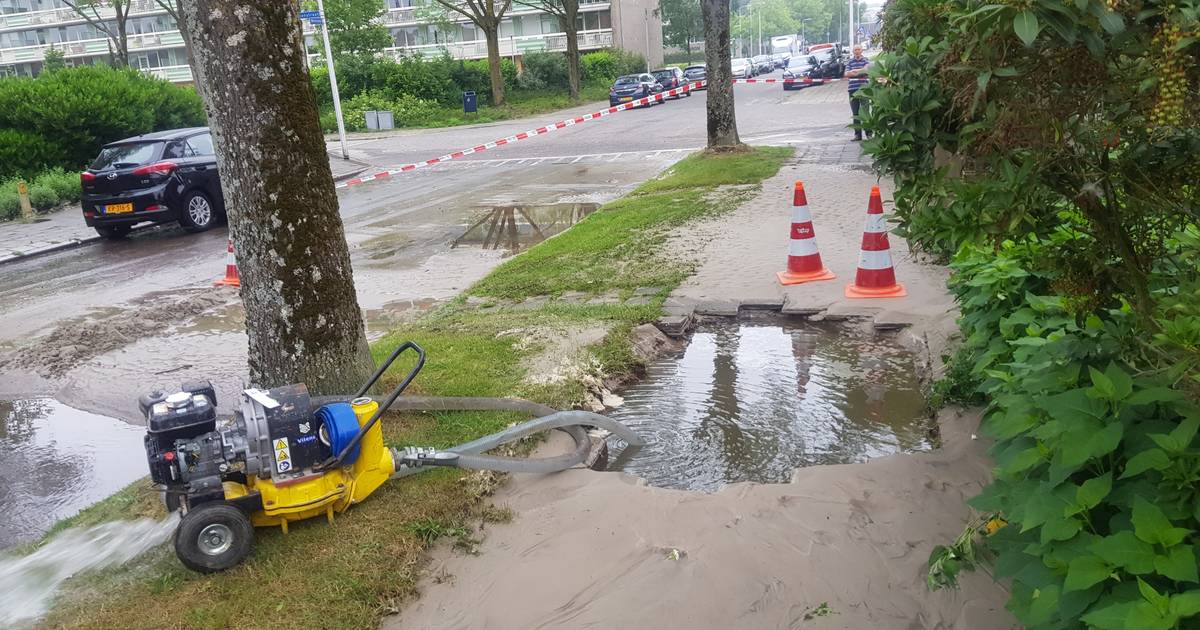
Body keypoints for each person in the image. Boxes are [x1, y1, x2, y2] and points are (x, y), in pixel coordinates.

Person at [844, 44, 871, 141]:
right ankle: (857, 135)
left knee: (865, 112)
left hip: (864, 90)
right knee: (855, 113)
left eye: (858, 49)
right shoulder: (849, 62)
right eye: (855, 50)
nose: (857, 51)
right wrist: (861, 71)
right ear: (853, 52)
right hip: (852, 90)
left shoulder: (866, 60)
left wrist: (855, 71)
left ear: (862, 50)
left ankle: (869, 134)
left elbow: (868, 70)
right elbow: (846, 74)